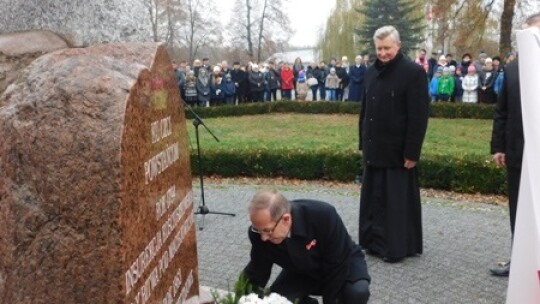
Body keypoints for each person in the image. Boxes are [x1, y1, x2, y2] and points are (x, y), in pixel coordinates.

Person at [358, 25, 429, 263]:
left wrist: (412, 152)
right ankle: (372, 242)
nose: (383, 53)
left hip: (398, 152)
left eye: (387, 48)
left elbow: (418, 116)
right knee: (372, 199)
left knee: (395, 202)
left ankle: (396, 247)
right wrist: (363, 142)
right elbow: (364, 111)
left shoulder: (413, 72)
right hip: (374, 147)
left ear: (398, 46)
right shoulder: (369, 72)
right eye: (379, 48)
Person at [243, 189, 371, 304]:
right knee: (277, 301)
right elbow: (257, 271)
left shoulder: (323, 215)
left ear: (286, 219)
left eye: (268, 230)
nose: (263, 238)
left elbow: (336, 266)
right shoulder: (258, 234)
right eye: (258, 230)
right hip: (302, 270)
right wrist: (243, 298)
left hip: (342, 264)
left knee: (356, 292)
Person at [489, 11, 540, 277]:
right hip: (518, 152)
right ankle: (519, 261)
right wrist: (498, 146)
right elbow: (502, 111)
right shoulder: (512, 69)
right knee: (518, 211)